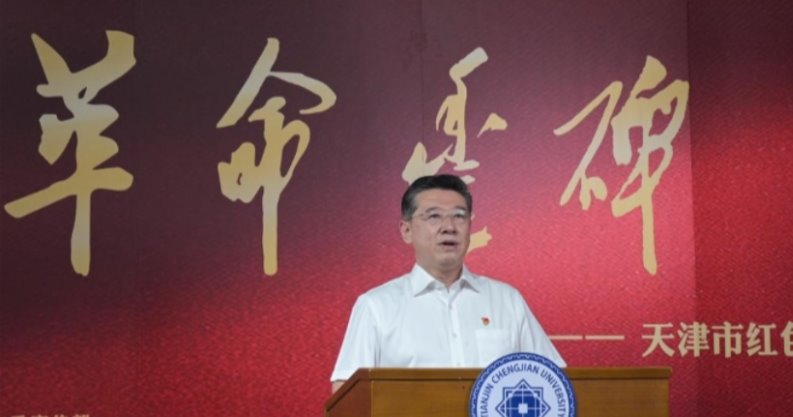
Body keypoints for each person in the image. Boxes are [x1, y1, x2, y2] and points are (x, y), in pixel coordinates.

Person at [330, 174, 565, 393]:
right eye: (434, 216)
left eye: (459, 216)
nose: (449, 227)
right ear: (406, 230)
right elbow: (348, 395)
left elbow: (554, 383)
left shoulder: (507, 300)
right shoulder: (376, 306)